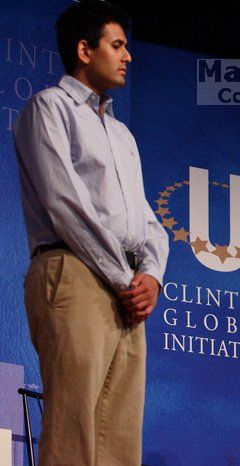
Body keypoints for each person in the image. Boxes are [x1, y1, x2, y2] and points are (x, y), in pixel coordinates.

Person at [12, 1, 169, 464]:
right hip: (74, 273)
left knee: (121, 439)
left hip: (126, 287)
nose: (128, 56)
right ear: (85, 49)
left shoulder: (122, 135)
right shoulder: (49, 108)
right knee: (73, 431)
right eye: (117, 45)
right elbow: (66, 205)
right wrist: (126, 281)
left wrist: (152, 277)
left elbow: (147, 223)